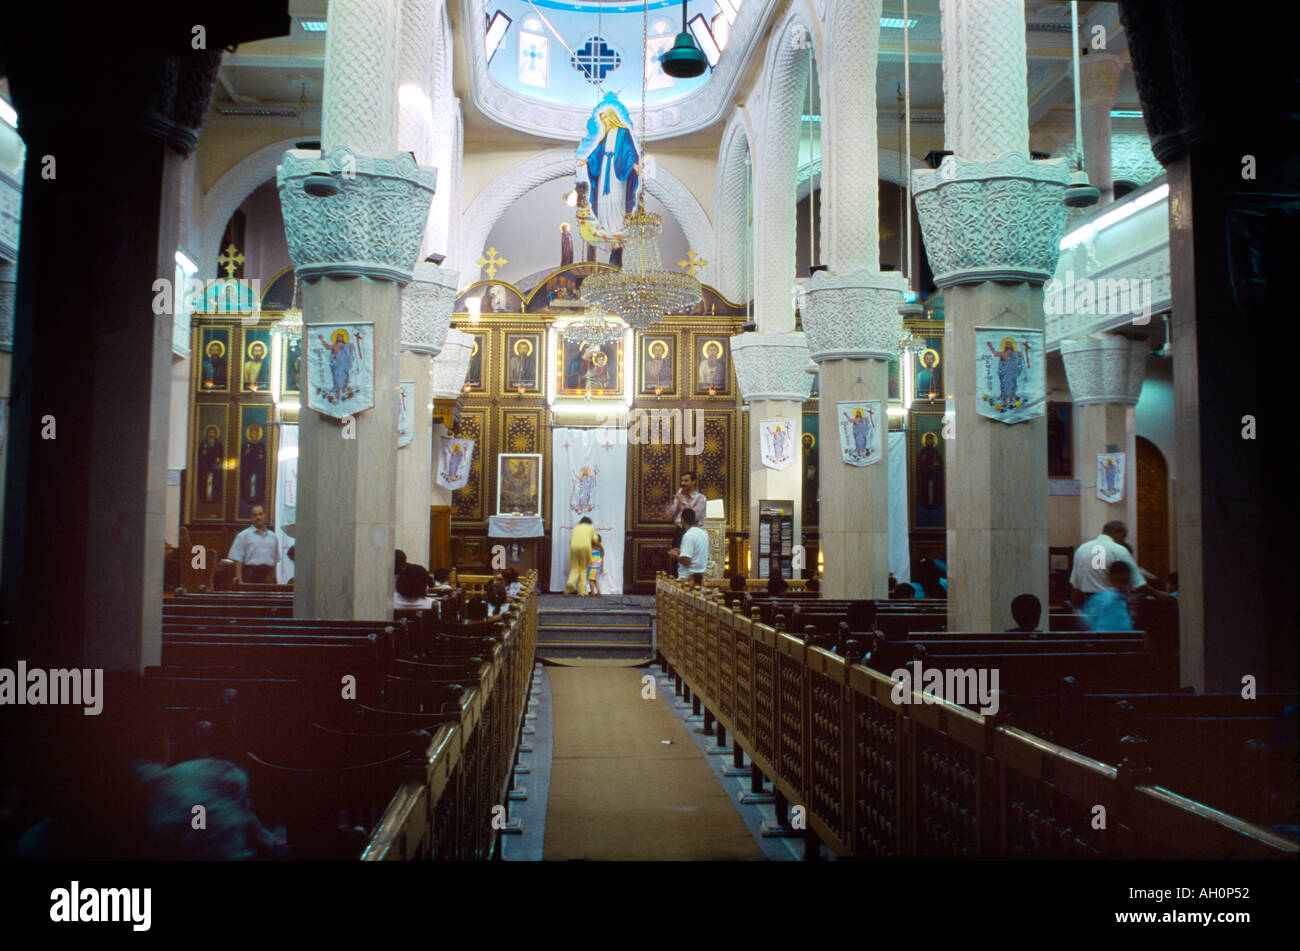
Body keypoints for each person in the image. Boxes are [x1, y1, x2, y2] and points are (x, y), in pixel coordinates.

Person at [1069, 520, 1170, 607]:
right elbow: (1138, 583)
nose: (1123, 540)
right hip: (1112, 605)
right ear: (1117, 532)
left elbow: (1076, 586)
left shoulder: (1082, 549)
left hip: (1088, 604)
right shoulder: (1118, 549)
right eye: (1124, 536)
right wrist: (1158, 594)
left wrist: (1073, 608)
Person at [666, 470, 708, 572]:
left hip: (692, 532)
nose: (683, 483)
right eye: (682, 481)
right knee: (675, 560)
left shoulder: (701, 499)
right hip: (679, 531)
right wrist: (675, 503)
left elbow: (692, 516)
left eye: (686, 481)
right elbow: (670, 515)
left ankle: (687, 582)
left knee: (687, 559)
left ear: (693, 482)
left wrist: (683, 502)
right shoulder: (681, 496)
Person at [227, 505, 280, 584]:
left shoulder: (273, 536)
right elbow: (238, 560)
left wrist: (275, 580)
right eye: (255, 515)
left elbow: (275, 561)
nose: (258, 517)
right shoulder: (243, 535)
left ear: (265, 515)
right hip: (250, 576)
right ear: (251, 518)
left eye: (260, 514)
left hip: (268, 577)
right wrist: (240, 581)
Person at [1082, 562, 1136, 631]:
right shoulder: (1101, 600)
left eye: (1125, 581)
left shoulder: (1126, 600)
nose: (1122, 586)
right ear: (1111, 579)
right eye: (1120, 581)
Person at [673, 508, 709, 587]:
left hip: (688, 579)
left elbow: (686, 561)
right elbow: (696, 553)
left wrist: (675, 555)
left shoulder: (689, 535)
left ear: (682, 519)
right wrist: (681, 551)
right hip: (700, 578)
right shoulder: (703, 534)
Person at [565, 516, 600, 596]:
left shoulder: (576, 528)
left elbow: (570, 541)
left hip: (574, 548)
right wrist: (598, 544)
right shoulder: (591, 527)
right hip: (584, 548)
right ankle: (582, 592)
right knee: (583, 570)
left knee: (574, 568)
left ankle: (570, 583)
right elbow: (595, 539)